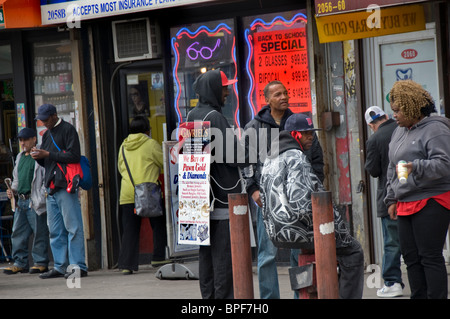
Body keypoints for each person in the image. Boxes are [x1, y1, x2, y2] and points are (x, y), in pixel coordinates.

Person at [260, 113, 365, 299]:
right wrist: (334, 226)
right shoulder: (296, 157)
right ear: (294, 134)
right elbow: (303, 206)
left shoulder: (270, 157)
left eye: (311, 133)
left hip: (277, 232)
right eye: (306, 133)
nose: (311, 137)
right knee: (353, 251)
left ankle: (315, 291)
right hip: (298, 229)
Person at [243, 81, 324, 299]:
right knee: (267, 254)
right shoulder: (254, 127)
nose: (283, 97)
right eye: (277, 94)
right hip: (268, 200)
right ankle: (269, 299)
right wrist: (253, 190)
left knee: (299, 253)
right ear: (267, 100)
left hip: (299, 200)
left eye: (285, 93)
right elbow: (246, 162)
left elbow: (317, 160)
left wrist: (314, 189)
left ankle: (302, 295)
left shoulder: (299, 123)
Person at [384, 80, 450, 299]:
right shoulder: (399, 132)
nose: (395, 115)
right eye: (393, 110)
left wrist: (416, 167)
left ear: (412, 106)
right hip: (405, 201)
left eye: (399, 110)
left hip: (432, 199)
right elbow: (393, 168)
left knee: (429, 256)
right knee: (410, 257)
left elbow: (444, 164)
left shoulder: (436, 128)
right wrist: (391, 198)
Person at [186, 69, 247, 299]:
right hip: (221, 197)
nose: (227, 91)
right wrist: (249, 151)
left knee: (205, 256)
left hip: (199, 198)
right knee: (223, 257)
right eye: (224, 87)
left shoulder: (192, 114)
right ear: (213, 89)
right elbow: (233, 157)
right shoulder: (215, 117)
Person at [31, 104, 88, 279]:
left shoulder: (68, 130)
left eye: (46, 119)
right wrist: (40, 157)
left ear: (55, 115)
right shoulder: (46, 134)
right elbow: (48, 162)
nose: (44, 122)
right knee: (55, 230)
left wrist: (48, 154)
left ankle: (78, 266)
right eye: (41, 120)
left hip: (66, 185)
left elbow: (74, 156)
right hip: (51, 187)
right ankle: (60, 266)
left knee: (73, 227)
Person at [117, 116, 168, 274]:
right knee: (158, 223)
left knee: (130, 229)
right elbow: (163, 162)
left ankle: (126, 265)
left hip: (127, 193)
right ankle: (158, 257)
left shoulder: (123, 146)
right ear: (147, 129)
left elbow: (120, 167)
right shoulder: (151, 144)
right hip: (148, 191)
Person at [364, 106, 403, 297]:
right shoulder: (402, 128)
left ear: (371, 125)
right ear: (386, 116)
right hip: (410, 193)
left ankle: (392, 282)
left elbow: (373, 170)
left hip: (389, 198)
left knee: (392, 243)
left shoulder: (374, 139)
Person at [3, 128, 49, 275]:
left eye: (26, 140)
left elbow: (44, 178)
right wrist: (12, 190)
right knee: (17, 232)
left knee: (39, 232)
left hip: (33, 200)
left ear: (34, 139)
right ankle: (20, 262)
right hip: (21, 200)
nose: (22, 143)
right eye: (21, 140)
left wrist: (42, 196)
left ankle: (40, 262)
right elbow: (17, 179)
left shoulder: (39, 155)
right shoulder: (20, 157)